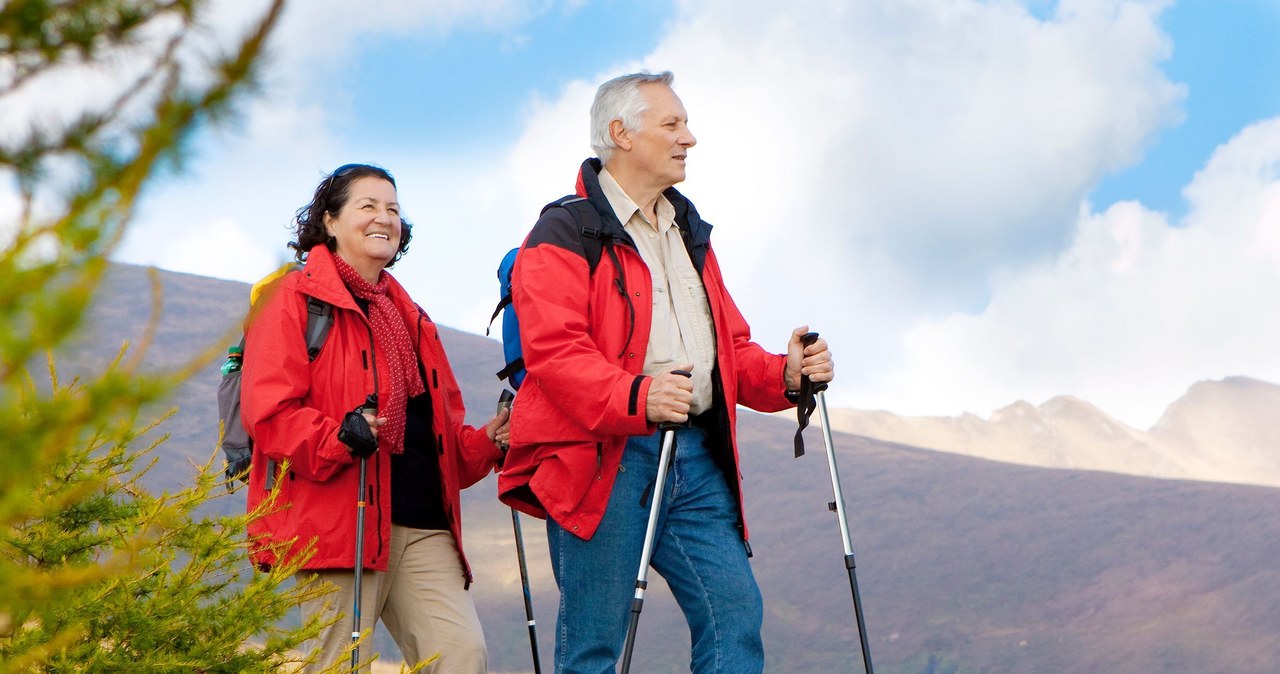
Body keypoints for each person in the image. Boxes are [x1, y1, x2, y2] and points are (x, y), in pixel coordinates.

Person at [497, 72, 834, 673]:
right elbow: (555, 353)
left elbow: (726, 350)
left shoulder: (689, 229)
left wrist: (786, 374)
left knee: (735, 616)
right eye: (672, 124)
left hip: (695, 458)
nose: (690, 138)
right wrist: (638, 396)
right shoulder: (562, 232)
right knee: (595, 645)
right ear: (621, 133)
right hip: (601, 458)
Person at [241, 164, 507, 673]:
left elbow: (437, 435)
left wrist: (488, 443)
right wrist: (340, 437)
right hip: (339, 521)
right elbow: (269, 414)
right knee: (341, 666)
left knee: (460, 655)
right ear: (330, 221)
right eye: (368, 206)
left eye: (393, 209)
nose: (385, 217)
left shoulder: (410, 316)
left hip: (422, 523)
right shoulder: (291, 301)